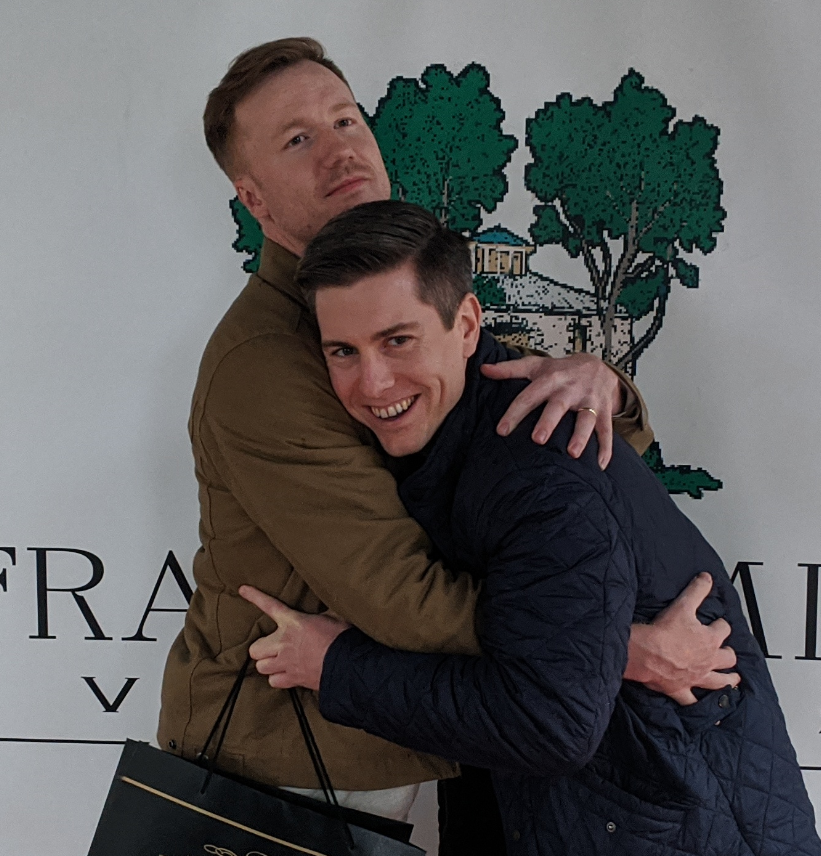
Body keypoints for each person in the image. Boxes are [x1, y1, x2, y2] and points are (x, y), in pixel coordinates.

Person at [158, 37, 738, 832]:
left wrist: (603, 388)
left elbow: (524, 433)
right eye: (297, 140)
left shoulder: (385, 283)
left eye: (345, 120)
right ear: (252, 200)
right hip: (284, 757)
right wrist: (616, 648)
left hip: (375, 731)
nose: (340, 152)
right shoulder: (266, 363)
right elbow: (398, 594)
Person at [241, 199, 820, 855]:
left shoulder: (537, 472)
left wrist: (338, 669)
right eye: (343, 351)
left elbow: (550, 720)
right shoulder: (448, 429)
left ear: (466, 325)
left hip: (676, 821)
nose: (373, 383)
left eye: (397, 340)